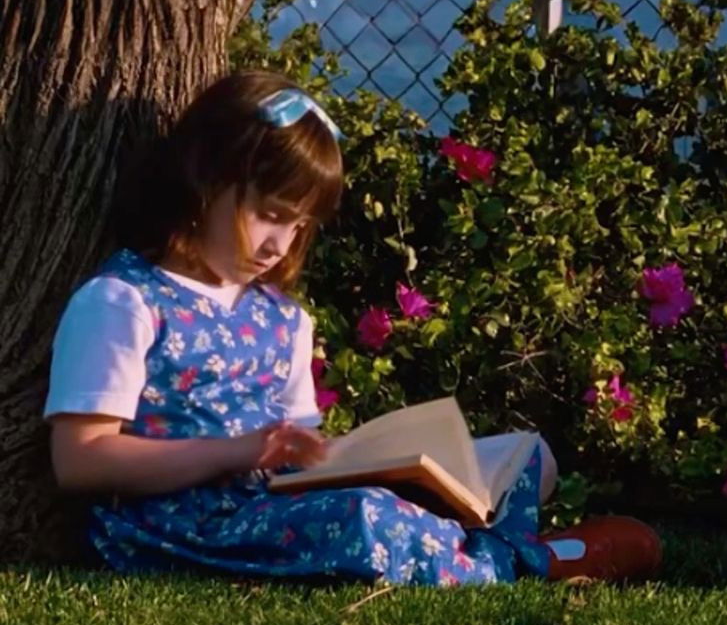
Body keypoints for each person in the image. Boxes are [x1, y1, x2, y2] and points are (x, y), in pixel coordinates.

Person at [44, 70, 662, 588]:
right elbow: (81, 460)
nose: (279, 245)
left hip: (275, 503)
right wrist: (239, 452)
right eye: (270, 215)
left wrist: (361, 460)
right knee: (365, 517)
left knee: (526, 455)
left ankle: (468, 539)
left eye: (298, 226)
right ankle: (526, 562)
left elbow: (304, 453)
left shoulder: (281, 317)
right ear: (205, 180)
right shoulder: (125, 302)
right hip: (185, 527)